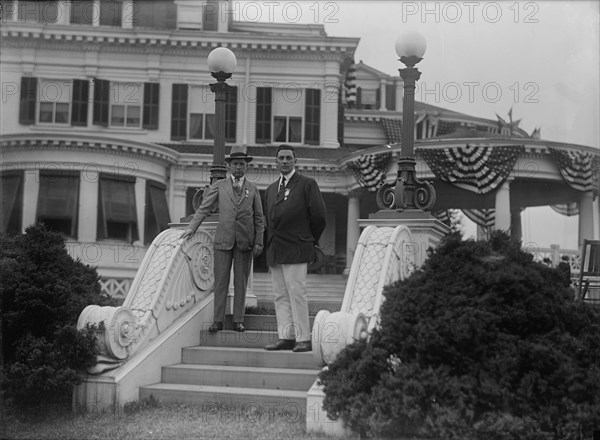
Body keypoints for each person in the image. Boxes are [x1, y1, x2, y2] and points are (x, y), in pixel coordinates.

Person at [181, 145, 264, 333]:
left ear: (246, 167)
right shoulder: (220, 186)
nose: (238, 167)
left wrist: (259, 240)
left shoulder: (252, 188)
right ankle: (217, 320)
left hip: (245, 241)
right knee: (220, 282)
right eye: (235, 164)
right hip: (223, 240)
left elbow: (259, 217)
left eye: (242, 164)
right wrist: (191, 228)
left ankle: (238, 321)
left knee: (241, 282)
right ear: (229, 166)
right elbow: (203, 208)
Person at [264, 145, 327, 352]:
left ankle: (303, 339)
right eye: (281, 158)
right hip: (276, 248)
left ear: (295, 161)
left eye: (288, 158)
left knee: (297, 293)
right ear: (276, 162)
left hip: (298, 246)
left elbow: (318, 216)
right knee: (280, 295)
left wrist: (308, 239)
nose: (284, 161)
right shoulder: (272, 189)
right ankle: (286, 337)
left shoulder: (307, 184)